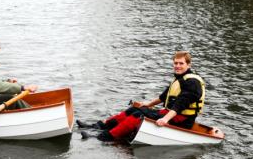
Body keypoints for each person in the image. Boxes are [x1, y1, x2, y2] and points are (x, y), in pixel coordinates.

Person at [77, 51, 205, 142]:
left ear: (188, 65)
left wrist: (165, 119)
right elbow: (163, 97)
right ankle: (99, 127)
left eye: (181, 63)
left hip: (182, 121)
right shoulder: (180, 78)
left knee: (138, 116)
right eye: (175, 63)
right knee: (134, 109)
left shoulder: (192, 82)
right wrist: (147, 105)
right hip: (170, 114)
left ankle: (103, 138)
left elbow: (180, 104)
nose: (177, 66)